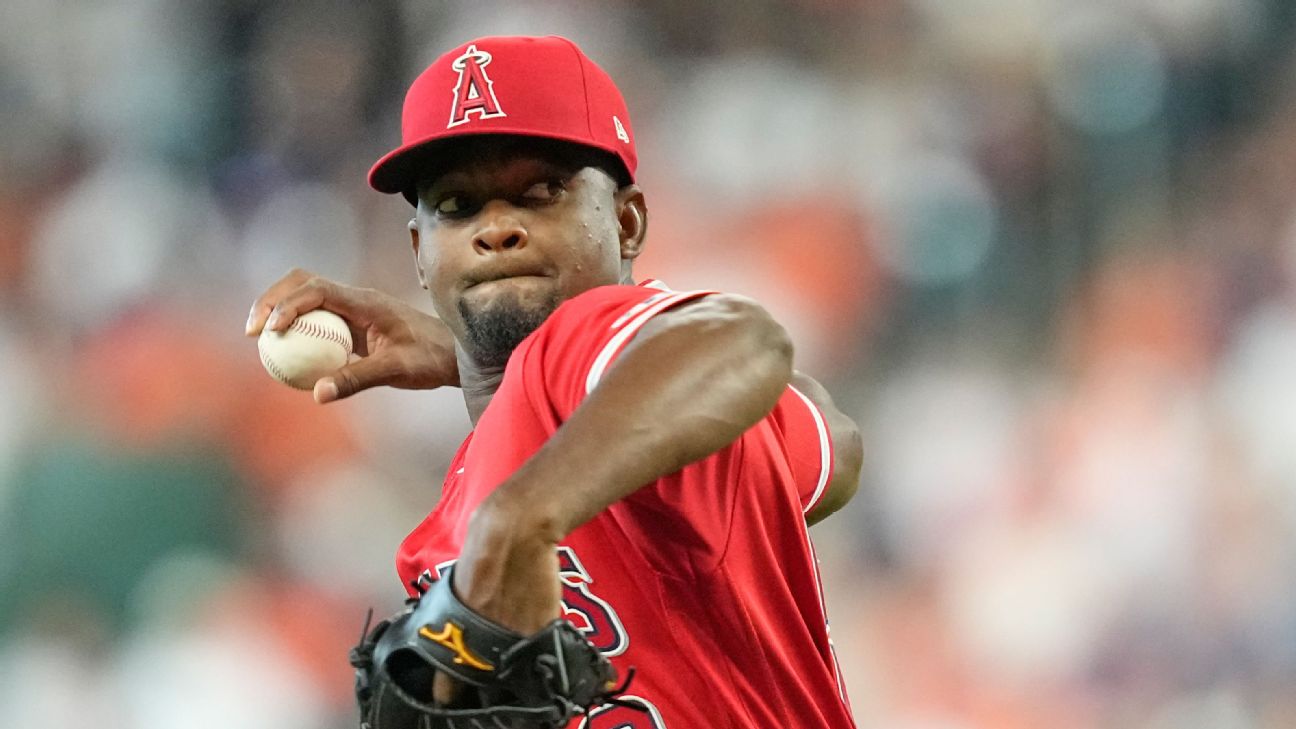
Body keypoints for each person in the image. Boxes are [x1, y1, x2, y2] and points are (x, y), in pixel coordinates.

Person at [246, 35, 862, 728]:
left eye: (541, 193)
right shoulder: (443, 537)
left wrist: (520, 519)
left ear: (626, 223)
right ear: (419, 252)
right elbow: (832, 444)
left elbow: (743, 339)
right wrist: (474, 366)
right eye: (457, 205)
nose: (497, 228)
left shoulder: (588, 341)